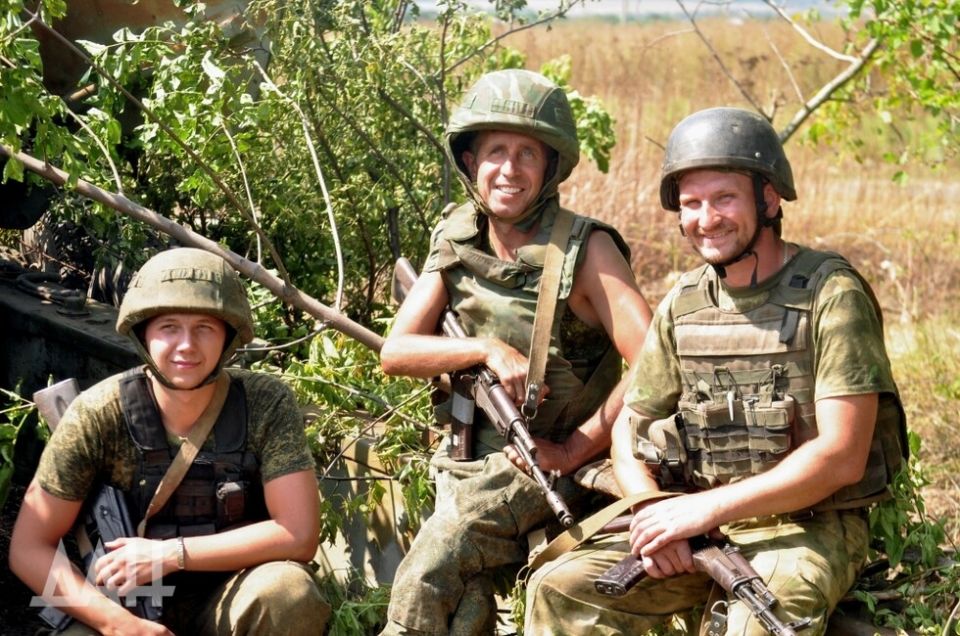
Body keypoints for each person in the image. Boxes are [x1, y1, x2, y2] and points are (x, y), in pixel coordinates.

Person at [524, 106, 910, 634]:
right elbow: (629, 432)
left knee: (753, 625)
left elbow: (842, 456)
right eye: (691, 204)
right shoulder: (683, 303)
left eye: (724, 198)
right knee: (559, 588)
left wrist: (705, 511)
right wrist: (654, 513)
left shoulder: (831, 295)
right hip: (697, 522)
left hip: (809, 525)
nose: (706, 220)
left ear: (768, 199)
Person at [377, 68, 653, 635]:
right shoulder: (458, 237)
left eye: (528, 153)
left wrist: (573, 449)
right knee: (467, 607)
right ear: (470, 161)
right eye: (496, 152)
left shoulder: (586, 251)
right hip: (463, 461)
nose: (510, 169)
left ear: (550, 167)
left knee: (426, 573)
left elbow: (655, 363)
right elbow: (395, 352)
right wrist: (485, 349)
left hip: (546, 468)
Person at [10, 247, 329, 635]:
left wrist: (170, 554)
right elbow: (28, 548)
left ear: (228, 336)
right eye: (169, 327)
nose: (187, 345)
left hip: (230, 596)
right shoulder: (98, 413)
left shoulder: (264, 403)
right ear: (143, 333)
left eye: (204, 327)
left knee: (288, 593)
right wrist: (118, 625)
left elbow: (298, 534)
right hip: (125, 605)